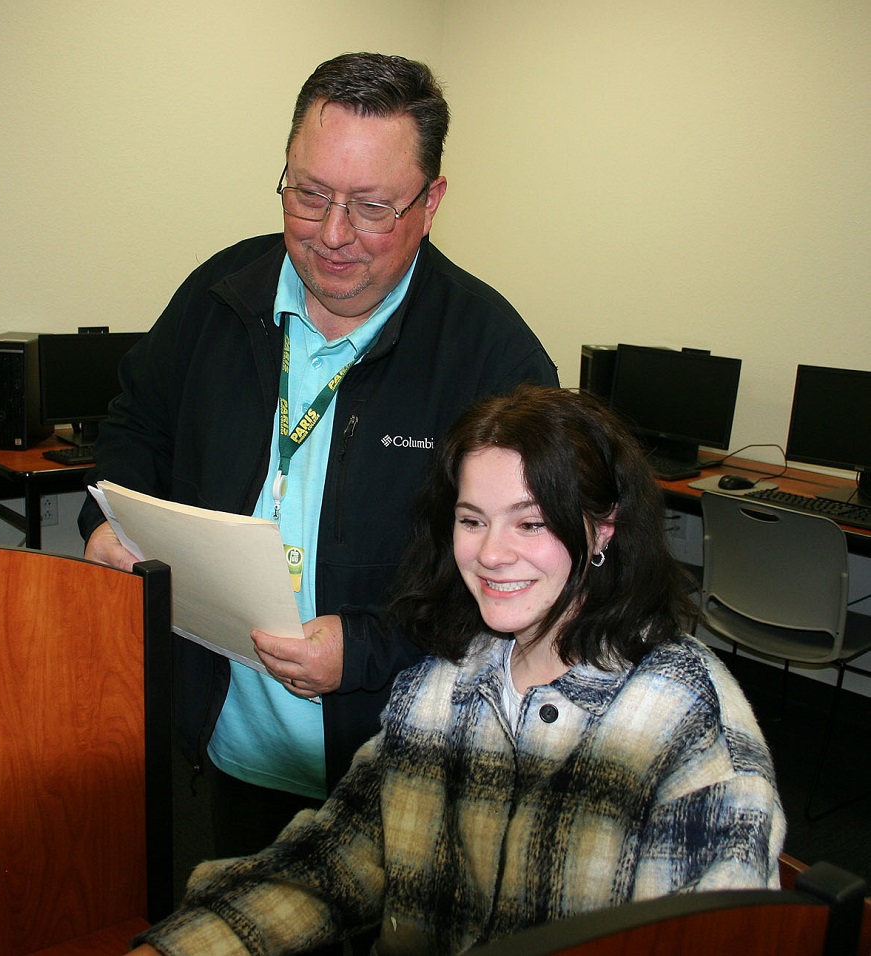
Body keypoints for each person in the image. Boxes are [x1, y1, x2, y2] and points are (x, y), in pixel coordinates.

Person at [78, 51, 559, 857]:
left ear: (431, 201)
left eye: (372, 207)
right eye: (308, 195)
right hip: (221, 736)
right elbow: (138, 422)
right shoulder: (219, 292)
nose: (332, 236)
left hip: (397, 764)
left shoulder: (490, 357)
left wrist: (370, 648)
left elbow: (532, 575)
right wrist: (114, 517)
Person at [128, 385, 785, 956]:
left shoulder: (684, 720)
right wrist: (177, 946)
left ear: (601, 529)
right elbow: (332, 861)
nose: (492, 554)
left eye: (530, 523)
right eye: (471, 520)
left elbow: (701, 942)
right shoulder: (444, 678)